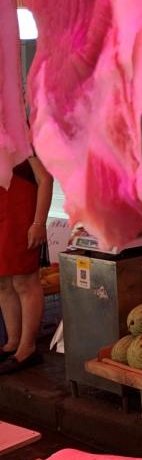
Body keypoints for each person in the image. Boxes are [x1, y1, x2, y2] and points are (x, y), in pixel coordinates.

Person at [0, 154, 53, 374]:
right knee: (2, 282)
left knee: (24, 281)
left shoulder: (20, 134)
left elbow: (45, 179)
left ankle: (27, 347)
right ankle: (12, 343)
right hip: (3, 214)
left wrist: (39, 222)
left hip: (21, 216)